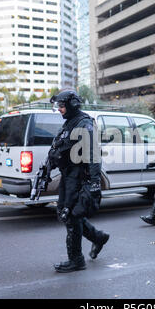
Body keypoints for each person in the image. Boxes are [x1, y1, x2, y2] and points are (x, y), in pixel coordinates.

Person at [50, 90, 110, 273]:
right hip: (68, 176)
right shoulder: (69, 123)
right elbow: (59, 147)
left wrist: (94, 183)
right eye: (58, 106)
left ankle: (76, 260)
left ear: (72, 105)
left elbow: (93, 154)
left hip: (79, 177)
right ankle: (98, 237)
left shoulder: (85, 124)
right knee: (66, 213)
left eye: (62, 106)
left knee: (71, 216)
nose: (59, 109)